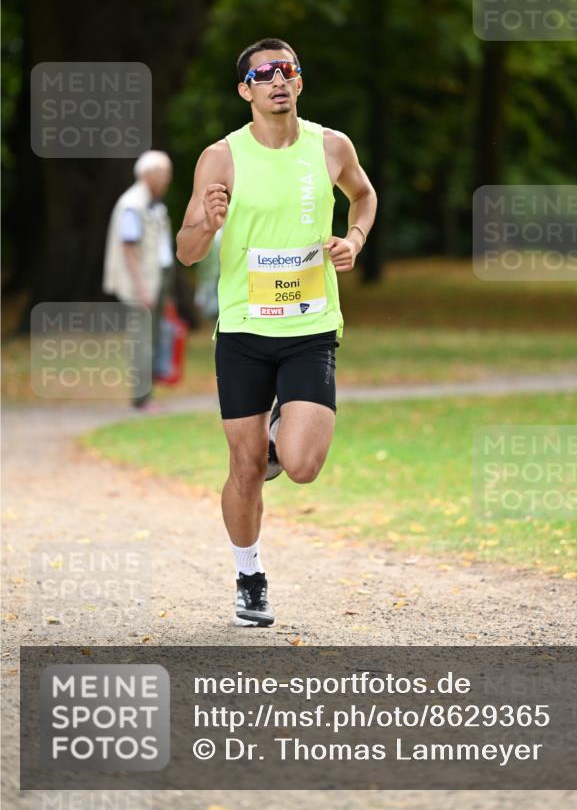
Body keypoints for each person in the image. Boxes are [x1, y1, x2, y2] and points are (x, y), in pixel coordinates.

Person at [176, 38, 377, 626]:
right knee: (244, 468)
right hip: (244, 328)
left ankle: (275, 435)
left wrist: (355, 238)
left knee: (303, 464)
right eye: (264, 74)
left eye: (287, 70)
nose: (278, 80)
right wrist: (207, 225)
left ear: (299, 82)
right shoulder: (221, 158)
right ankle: (249, 576)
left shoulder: (331, 146)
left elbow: (364, 195)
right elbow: (186, 251)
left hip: (311, 324)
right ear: (246, 90)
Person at [103, 150, 174, 409]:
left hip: (156, 281)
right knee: (142, 341)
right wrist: (142, 288)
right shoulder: (133, 204)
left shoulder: (153, 203)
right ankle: (141, 399)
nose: (167, 179)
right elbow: (129, 250)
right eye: (163, 174)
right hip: (142, 286)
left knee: (153, 338)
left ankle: (148, 394)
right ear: (147, 174)